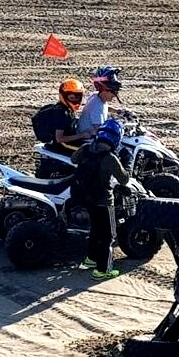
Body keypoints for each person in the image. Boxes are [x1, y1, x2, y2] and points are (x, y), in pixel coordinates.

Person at [70, 119, 130, 280]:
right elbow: (124, 179)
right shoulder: (110, 158)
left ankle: (91, 259)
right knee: (109, 235)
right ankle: (103, 270)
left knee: (96, 230)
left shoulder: (85, 149)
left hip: (86, 198)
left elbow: (73, 159)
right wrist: (127, 162)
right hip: (104, 201)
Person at [46, 78, 92, 155]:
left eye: (77, 98)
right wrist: (82, 135)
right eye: (72, 98)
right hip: (63, 145)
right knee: (91, 150)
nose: (75, 100)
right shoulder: (62, 113)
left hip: (69, 142)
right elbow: (59, 138)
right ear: (63, 96)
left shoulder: (66, 109)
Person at [77, 65, 124, 138]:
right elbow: (100, 131)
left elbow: (105, 107)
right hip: (88, 142)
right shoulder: (97, 107)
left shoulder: (96, 97)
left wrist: (117, 111)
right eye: (112, 92)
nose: (114, 96)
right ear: (103, 90)